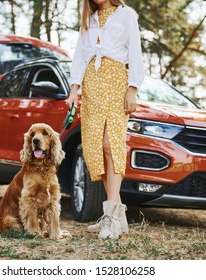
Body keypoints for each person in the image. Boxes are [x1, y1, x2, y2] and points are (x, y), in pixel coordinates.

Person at [65, 0, 144, 239]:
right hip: (92, 84)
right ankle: (116, 217)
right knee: (96, 149)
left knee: (112, 146)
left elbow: (136, 53)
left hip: (116, 80)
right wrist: (73, 89)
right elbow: (80, 55)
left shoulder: (126, 15)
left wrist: (132, 88)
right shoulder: (89, 19)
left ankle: (110, 217)